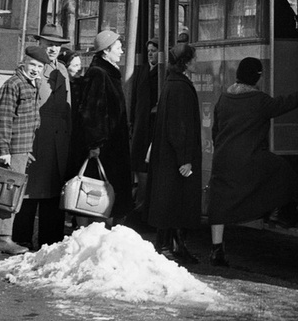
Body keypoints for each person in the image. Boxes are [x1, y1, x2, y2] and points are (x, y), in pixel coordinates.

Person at [206, 57, 298, 266]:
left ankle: (217, 250)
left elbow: (216, 131)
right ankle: (278, 213)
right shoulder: (258, 100)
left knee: (220, 204)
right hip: (249, 158)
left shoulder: (224, 97)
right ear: (256, 77)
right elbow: (283, 104)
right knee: (283, 171)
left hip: (222, 159)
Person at [12, 27, 72, 248]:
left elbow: (68, 110)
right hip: (36, 140)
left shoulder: (63, 70)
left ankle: (50, 242)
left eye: (58, 45)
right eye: (49, 44)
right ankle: (22, 239)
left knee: (53, 194)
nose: (54, 48)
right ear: (40, 43)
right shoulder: (32, 69)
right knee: (29, 193)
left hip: (58, 143)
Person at [0, 46, 48, 254]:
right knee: (8, 192)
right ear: (23, 62)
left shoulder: (30, 84)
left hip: (21, 148)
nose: (35, 69)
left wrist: (27, 148)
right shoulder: (14, 84)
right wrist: (3, 150)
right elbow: (3, 119)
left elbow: (28, 120)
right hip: (12, 149)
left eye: (40, 66)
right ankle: (1, 238)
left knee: (12, 192)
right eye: (32, 64)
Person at [71, 29, 133, 225]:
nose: (122, 51)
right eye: (118, 47)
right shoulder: (99, 74)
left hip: (110, 147)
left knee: (106, 192)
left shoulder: (108, 72)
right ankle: (89, 233)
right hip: (104, 149)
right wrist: (95, 144)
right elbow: (92, 111)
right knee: (96, 191)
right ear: (106, 51)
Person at [146, 42, 201, 263]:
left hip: (169, 156)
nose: (196, 62)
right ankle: (171, 246)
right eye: (193, 59)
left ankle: (170, 245)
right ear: (186, 62)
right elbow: (178, 127)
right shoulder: (180, 87)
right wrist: (185, 159)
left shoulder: (172, 83)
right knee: (177, 202)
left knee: (170, 201)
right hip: (177, 158)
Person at [128, 37, 160, 230]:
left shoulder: (161, 73)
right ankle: (140, 209)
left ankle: (144, 211)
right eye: (149, 50)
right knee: (140, 169)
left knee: (147, 170)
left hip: (152, 128)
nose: (150, 53)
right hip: (141, 127)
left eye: (154, 50)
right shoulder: (141, 72)